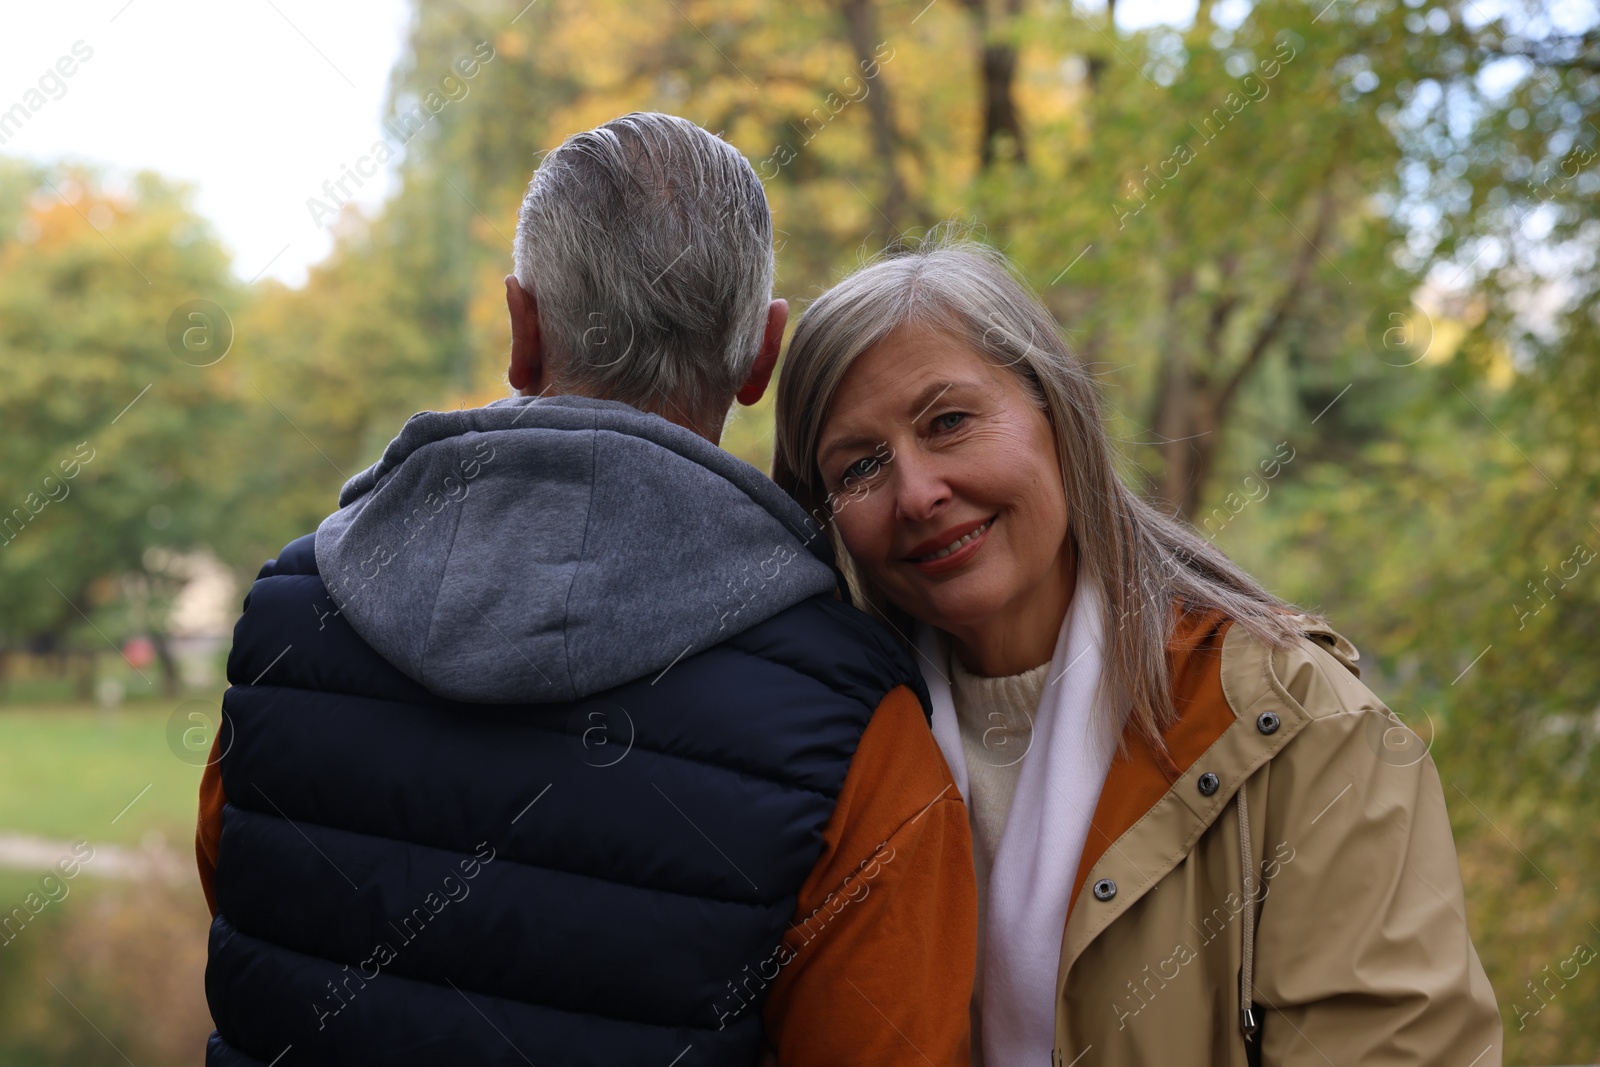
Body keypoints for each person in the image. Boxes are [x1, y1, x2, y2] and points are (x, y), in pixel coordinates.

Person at [194, 113, 976, 1067]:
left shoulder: (287, 623)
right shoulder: (859, 725)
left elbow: (244, 904)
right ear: (762, 357)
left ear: (524, 331)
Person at [772, 236, 1503, 1067]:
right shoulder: (819, 754)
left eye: (949, 421)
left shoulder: (1298, 727)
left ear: (1058, 412)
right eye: (862, 466)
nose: (918, 492)